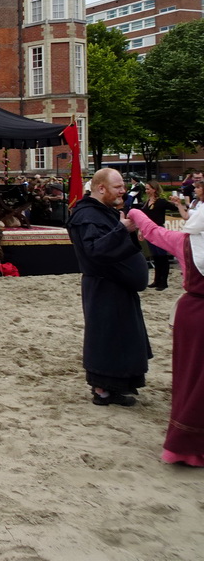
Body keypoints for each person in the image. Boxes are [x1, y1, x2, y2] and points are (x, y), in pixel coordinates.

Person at [128, 205, 204, 465]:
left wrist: (135, 214)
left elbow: (152, 231)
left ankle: (186, 445)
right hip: (194, 313)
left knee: (190, 377)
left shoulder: (183, 242)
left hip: (193, 314)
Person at [67, 168, 150, 407]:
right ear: (101, 188)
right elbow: (95, 250)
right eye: (118, 187)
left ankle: (118, 387)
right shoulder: (86, 215)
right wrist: (122, 230)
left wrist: (132, 237)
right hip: (103, 287)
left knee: (122, 337)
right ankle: (102, 390)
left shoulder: (103, 212)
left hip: (119, 286)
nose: (123, 191)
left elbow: (116, 242)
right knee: (106, 337)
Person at [140, 180, 181, 291]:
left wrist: (177, 202)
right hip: (149, 231)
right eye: (146, 188)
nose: (146, 191)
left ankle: (164, 282)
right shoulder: (146, 201)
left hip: (158, 230)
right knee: (155, 256)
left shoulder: (161, 202)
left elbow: (174, 208)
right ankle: (157, 280)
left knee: (162, 256)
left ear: (154, 189)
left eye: (148, 189)